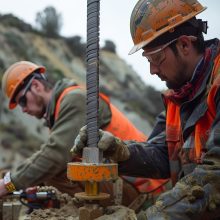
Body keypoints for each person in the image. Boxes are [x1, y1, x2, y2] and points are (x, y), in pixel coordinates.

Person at [72, 0, 220, 219]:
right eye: (147, 60)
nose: (152, 70)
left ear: (185, 45)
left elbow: (216, 175)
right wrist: (120, 151)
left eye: (157, 59)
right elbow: (163, 156)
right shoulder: (178, 98)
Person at [0, 61, 167, 207]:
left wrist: (8, 184)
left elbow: (55, 156)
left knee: (55, 168)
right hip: (121, 180)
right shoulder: (59, 112)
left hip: (144, 187)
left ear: (36, 86)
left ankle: (101, 211)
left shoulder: (74, 100)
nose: (23, 109)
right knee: (47, 173)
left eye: (22, 100)